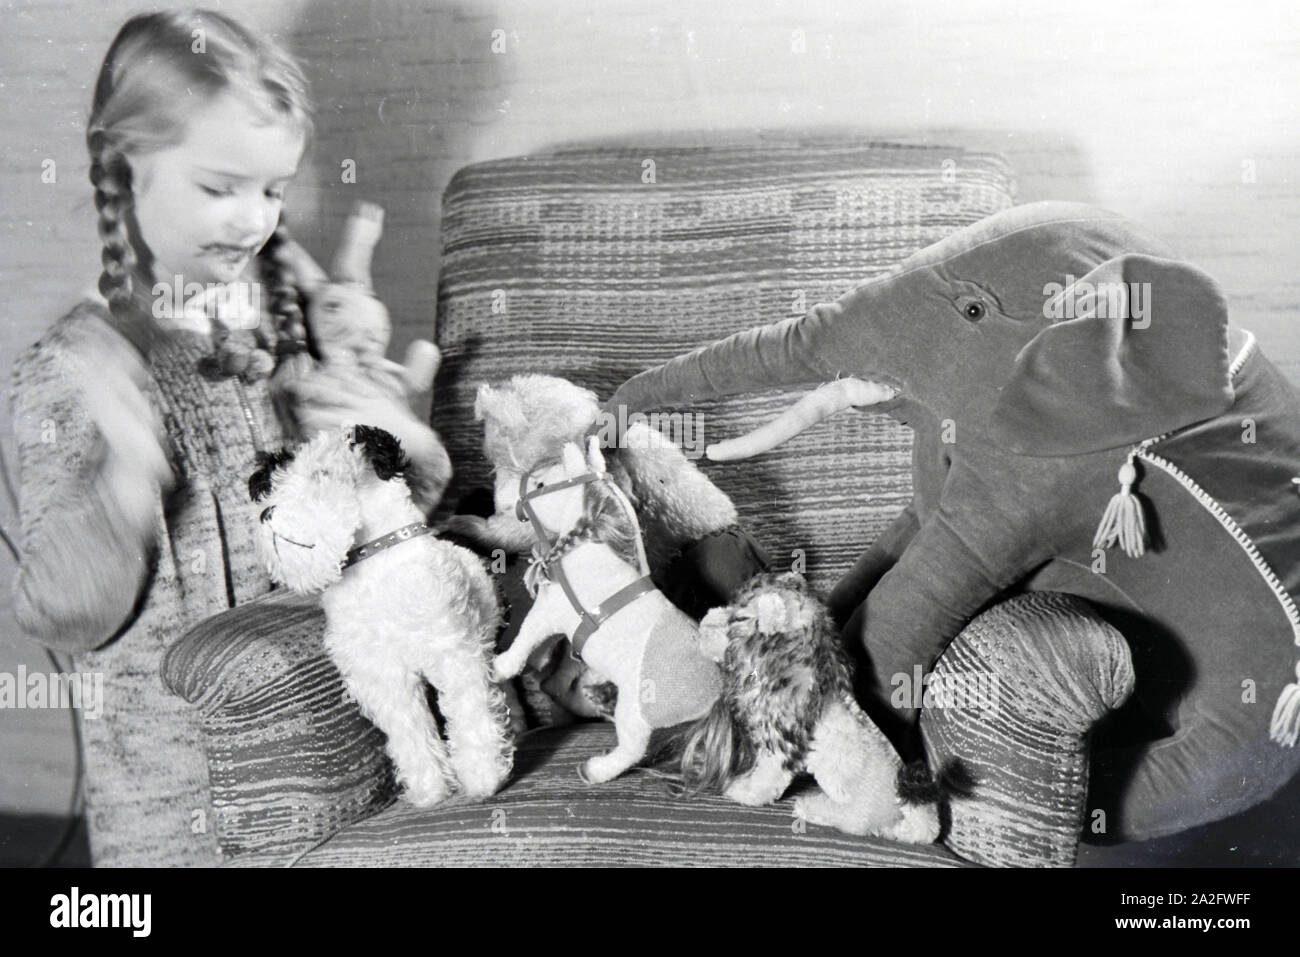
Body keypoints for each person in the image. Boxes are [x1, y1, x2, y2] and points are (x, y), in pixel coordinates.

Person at [10, 9, 449, 866]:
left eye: (274, 189)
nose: (255, 219)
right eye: (220, 187)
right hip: (178, 822)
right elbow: (61, 612)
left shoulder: (285, 336)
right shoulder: (76, 370)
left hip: (338, 762)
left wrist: (394, 434)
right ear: (121, 166)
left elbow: (396, 530)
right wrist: (126, 477)